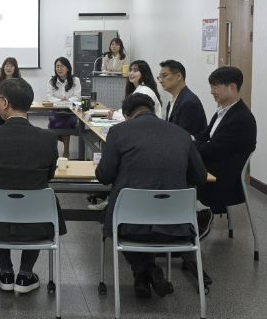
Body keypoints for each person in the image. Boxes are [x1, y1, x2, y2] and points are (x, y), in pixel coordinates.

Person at [95, 93, 207, 299]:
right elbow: (200, 177)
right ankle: (145, 275)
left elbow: (104, 176)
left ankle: (145, 271)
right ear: (154, 110)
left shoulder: (118, 132)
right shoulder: (182, 134)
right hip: (176, 223)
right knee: (142, 217)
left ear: (126, 115)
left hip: (128, 223)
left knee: (116, 217)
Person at [0, 78, 64, 294]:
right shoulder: (48, 139)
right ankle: (25, 274)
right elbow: (49, 176)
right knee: (39, 198)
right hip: (38, 223)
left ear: (5, 103)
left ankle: (6, 272)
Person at [195, 66, 257, 236]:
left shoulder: (241, 119)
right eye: (211, 87)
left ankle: (189, 220)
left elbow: (212, 150)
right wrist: (192, 141)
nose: (211, 92)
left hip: (224, 179)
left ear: (232, 87)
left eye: (215, 87)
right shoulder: (223, 111)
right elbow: (204, 136)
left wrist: (191, 144)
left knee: (176, 173)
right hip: (215, 165)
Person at [158, 60, 207, 139]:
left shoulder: (188, 102)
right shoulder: (173, 100)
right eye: (159, 77)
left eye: (165, 76)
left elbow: (183, 137)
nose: (160, 81)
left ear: (178, 76)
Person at [46, 57, 81, 158]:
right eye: (57, 66)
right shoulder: (51, 81)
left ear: (68, 68)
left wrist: (67, 101)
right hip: (56, 110)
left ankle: (66, 151)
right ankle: (55, 153)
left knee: (68, 121)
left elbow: (77, 96)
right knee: (54, 120)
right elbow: (49, 97)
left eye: (62, 66)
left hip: (71, 111)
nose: (59, 69)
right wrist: (60, 101)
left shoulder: (75, 80)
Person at [0, 56, 21, 127]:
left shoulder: (19, 81)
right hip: (0, 111)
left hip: (14, 110)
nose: (8, 68)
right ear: (3, 67)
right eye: (6, 66)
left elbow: (21, 97)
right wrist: (2, 103)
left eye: (11, 66)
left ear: (15, 68)